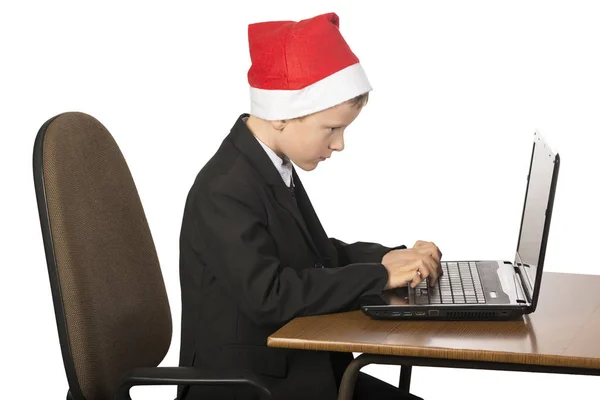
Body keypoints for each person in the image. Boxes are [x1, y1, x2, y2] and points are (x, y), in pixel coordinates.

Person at [177, 12, 442, 400]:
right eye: (331, 128)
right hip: (249, 385)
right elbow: (272, 295)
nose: (339, 144)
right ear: (282, 115)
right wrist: (378, 278)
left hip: (294, 365)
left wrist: (390, 258)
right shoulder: (224, 188)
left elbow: (314, 257)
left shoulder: (270, 163)